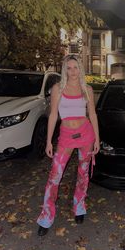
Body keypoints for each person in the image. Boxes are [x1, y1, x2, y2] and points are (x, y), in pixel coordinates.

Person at [37, 54, 100, 236]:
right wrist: (49, 140)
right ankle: (47, 216)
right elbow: (53, 115)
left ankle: (79, 206)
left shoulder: (87, 89)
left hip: (86, 135)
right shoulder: (58, 88)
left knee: (83, 173)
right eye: (69, 68)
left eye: (75, 67)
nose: (73, 71)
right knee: (54, 177)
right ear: (65, 70)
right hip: (66, 136)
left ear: (81, 68)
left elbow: (93, 115)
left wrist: (96, 138)